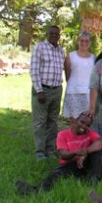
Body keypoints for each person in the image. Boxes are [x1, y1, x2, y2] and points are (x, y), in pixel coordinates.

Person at [16, 112, 102, 194]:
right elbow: (64, 155)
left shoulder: (89, 133)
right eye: (82, 122)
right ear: (75, 121)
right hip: (70, 163)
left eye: (87, 125)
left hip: (84, 162)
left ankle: (95, 180)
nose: (84, 126)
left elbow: (101, 142)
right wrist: (77, 152)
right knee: (56, 174)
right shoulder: (62, 135)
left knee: (97, 151)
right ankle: (37, 190)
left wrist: (85, 152)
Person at [30, 25, 65, 160]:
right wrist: (39, 90)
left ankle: (50, 149)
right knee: (40, 122)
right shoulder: (39, 47)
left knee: (53, 121)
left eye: (57, 34)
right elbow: (34, 70)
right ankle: (40, 151)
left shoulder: (61, 51)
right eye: (51, 33)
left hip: (56, 89)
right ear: (47, 34)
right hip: (42, 89)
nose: (54, 36)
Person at [62, 31, 96, 120]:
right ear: (78, 41)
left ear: (90, 42)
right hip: (73, 91)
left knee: (87, 120)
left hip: (88, 93)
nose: (84, 43)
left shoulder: (93, 58)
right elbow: (67, 74)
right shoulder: (70, 56)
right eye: (82, 40)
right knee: (74, 121)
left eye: (87, 41)